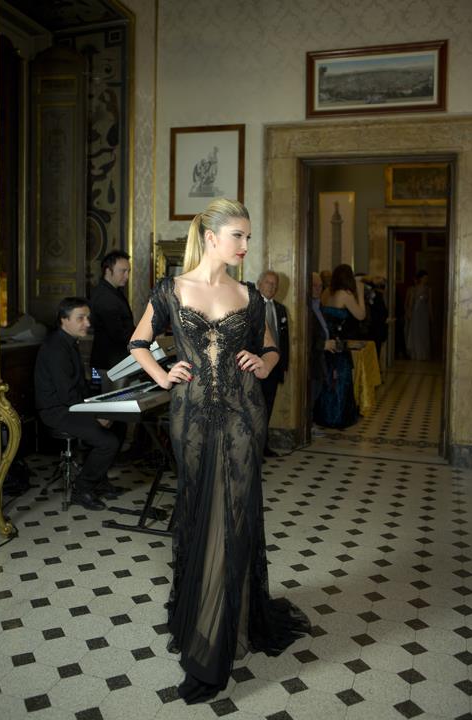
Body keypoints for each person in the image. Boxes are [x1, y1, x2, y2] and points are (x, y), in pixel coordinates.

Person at [128, 198, 309, 704]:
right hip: (189, 420)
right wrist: (163, 374)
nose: (246, 245)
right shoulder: (170, 290)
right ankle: (204, 615)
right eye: (239, 236)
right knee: (198, 512)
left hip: (243, 416)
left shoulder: (249, 295)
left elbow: (271, 349)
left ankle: (216, 639)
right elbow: (138, 342)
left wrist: (265, 363)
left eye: (248, 237)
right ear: (211, 237)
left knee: (234, 513)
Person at [34, 297, 124, 510]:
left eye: (88, 318)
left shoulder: (68, 341)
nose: (88, 323)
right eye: (81, 318)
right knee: (108, 442)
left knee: (118, 423)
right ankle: (82, 489)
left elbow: (79, 387)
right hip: (56, 412)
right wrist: (94, 415)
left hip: (70, 405)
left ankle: (99, 480)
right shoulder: (56, 348)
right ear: (64, 320)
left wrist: (99, 406)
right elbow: (67, 395)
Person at [315, 264, 366, 429]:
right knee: (340, 380)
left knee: (328, 380)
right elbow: (361, 315)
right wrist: (361, 294)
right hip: (338, 346)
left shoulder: (326, 293)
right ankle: (337, 417)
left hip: (326, 343)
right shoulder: (345, 294)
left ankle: (324, 416)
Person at [90, 250, 135, 393]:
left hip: (114, 362)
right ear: (108, 271)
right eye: (123, 271)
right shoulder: (105, 296)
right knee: (112, 402)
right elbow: (118, 334)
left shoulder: (112, 291)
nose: (127, 276)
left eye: (128, 271)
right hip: (110, 364)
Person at [257, 270, 289, 457]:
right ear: (259, 284)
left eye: (275, 284)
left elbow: (284, 341)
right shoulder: (252, 307)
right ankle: (255, 449)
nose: (272, 287)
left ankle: (264, 446)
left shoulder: (280, 309)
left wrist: (284, 366)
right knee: (257, 409)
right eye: (268, 282)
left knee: (268, 406)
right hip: (256, 368)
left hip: (275, 369)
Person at [310, 272, 336, 420]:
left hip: (322, 357)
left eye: (320, 286)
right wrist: (323, 344)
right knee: (311, 393)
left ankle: (311, 423)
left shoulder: (319, 305)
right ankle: (308, 425)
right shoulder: (304, 308)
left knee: (318, 391)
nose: (317, 289)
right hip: (312, 358)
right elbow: (303, 337)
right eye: (314, 285)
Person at [405, 270, 432, 361]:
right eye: (424, 278)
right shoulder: (414, 289)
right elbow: (410, 302)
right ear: (420, 278)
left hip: (424, 313)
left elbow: (430, 303)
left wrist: (431, 315)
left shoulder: (428, 289)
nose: (426, 279)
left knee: (424, 333)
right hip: (416, 313)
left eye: (427, 278)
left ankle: (424, 354)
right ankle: (416, 354)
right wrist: (409, 313)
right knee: (416, 333)